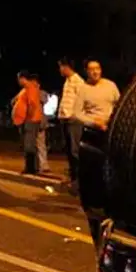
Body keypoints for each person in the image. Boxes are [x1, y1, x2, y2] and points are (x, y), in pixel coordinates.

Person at [73, 59, 120, 244]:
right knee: (93, 168)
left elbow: (120, 103)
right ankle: (94, 202)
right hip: (93, 132)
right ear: (87, 72)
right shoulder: (84, 89)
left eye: (97, 68)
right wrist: (94, 122)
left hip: (110, 130)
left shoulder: (110, 86)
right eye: (91, 70)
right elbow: (76, 113)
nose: (95, 72)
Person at [57, 57, 85, 191]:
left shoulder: (78, 82)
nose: (60, 70)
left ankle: (80, 180)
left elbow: (82, 100)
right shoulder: (67, 82)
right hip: (65, 119)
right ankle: (73, 178)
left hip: (73, 120)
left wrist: (75, 115)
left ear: (66, 66)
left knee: (75, 151)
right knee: (69, 150)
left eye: (61, 67)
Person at [12, 71, 43, 175]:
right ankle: (29, 167)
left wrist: (27, 117)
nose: (18, 81)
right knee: (27, 144)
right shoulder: (25, 89)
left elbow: (32, 105)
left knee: (29, 145)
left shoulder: (31, 88)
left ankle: (32, 168)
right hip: (26, 120)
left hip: (31, 120)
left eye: (18, 79)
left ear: (22, 78)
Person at [30, 74, 51, 174]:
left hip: (40, 123)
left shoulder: (42, 93)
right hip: (30, 123)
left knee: (41, 145)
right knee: (32, 145)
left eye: (34, 84)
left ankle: (44, 165)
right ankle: (35, 165)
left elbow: (43, 100)